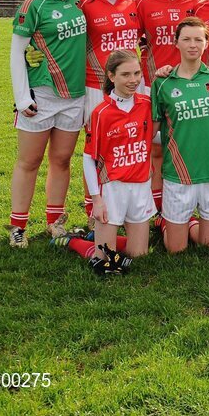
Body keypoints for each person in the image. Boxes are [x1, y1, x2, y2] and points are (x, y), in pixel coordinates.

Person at [8, 0, 88, 247]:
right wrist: (21, 97)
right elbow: (17, 52)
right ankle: (18, 227)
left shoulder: (81, 2)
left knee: (62, 160)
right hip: (41, 94)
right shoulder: (35, 4)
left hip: (74, 95)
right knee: (29, 161)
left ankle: (55, 222)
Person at [53, 49, 153, 275]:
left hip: (140, 186)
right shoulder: (102, 112)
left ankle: (94, 236)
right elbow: (89, 158)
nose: (133, 80)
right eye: (126, 75)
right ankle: (72, 242)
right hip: (112, 189)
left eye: (137, 73)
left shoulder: (147, 103)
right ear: (111, 76)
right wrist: (96, 200)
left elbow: (156, 134)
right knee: (105, 263)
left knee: (139, 256)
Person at [150, 17, 209, 253]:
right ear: (176, 43)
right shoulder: (163, 83)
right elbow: (152, 128)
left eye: (198, 39)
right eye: (186, 39)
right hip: (178, 172)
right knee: (176, 249)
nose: (192, 44)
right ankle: (165, 222)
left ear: (207, 43)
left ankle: (190, 223)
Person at [136, 0, 202, 213]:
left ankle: (180, 206)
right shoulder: (145, 3)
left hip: (186, 87)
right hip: (153, 84)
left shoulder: (196, 3)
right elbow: (131, 39)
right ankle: (156, 208)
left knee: (182, 148)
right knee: (154, 150)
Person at [79, 0, 140, 222]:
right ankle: (92, 208)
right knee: (96, 151)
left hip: (130, 86)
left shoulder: (134, 2)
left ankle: (127, 206)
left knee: (127, 146)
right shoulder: (86, 5)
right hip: (96, 88)